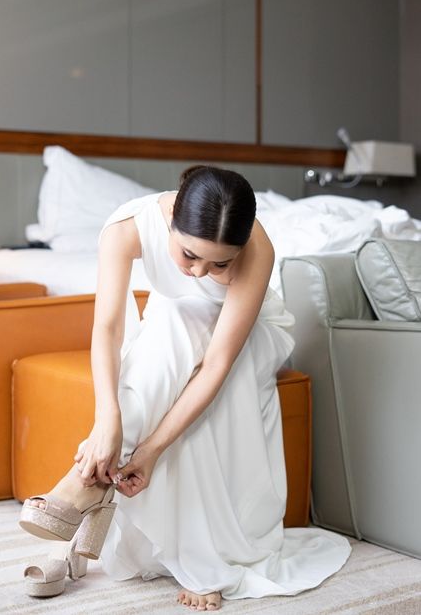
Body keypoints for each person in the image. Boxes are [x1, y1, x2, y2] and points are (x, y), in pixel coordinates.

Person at [19, 165, 351, 610]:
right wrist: (107, 419)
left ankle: (84, 484)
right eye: (189, 255)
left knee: (178, 335)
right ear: (172, 218)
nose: (199, 272)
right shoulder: (126, 228)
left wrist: (151, 450)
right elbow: (108, 328)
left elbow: (216, 364)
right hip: (174, 328)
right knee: (163, 335)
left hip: (248, 337)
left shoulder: (259, 247)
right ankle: (96, 486)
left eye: (220, 264)